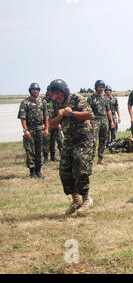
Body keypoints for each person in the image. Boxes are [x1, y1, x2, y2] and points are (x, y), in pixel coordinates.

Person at [48, 79, 95, 216]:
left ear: (64, 91)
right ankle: (76, 200)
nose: (56, 97)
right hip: (68, 141)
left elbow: (90, 115)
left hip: (84, 140)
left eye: (58, 94)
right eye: (53, 95)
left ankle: (87, 199)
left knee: (80, 169)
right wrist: (60, 115)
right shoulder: (54, 104)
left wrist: (71, 113)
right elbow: (51, 123)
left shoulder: (77, 99)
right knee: (64, 172)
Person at [17, 82, 49, 178]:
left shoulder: (43, 102)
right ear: (30, 90)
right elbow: (23, 118)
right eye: (33, 89)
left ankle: (39, 171)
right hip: (30, 129)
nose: (35, 91)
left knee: (39, 151)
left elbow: (46, 117)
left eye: (37, 90)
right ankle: (32, 172)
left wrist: (46, 129)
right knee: (30, 151)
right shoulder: (25, 102)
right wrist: (25, 130)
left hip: (40, 129)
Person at [87, 80, 115, 165]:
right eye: (100, 87)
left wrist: (111, 122)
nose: (101, 88)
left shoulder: (105, 98)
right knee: (93, 141)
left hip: (104, 120)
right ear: (96, 87)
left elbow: (108, 110)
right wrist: (88, 123)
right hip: (94, 120)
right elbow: (86, 111)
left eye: (103, 87)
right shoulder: (91, 98)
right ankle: (90, 160)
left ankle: (100, 159)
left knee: (103, 140)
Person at [42, 85, 63, 162]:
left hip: (55, 123)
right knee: (46, 141)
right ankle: (46, 157)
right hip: (46, 124)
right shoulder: (43, 101)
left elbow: (59, 112)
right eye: (51, 91)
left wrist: (59, 123)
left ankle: (53, 156)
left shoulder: (56, 100)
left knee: (57, 140)